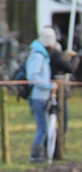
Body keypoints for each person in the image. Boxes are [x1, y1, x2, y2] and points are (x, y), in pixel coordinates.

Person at [26, 27, 58, 163]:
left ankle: (39, 154)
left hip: (42, 96)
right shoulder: (38, 56)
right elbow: (33, 76)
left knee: (43, 127)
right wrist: (49, 85)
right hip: (38, 97)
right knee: (43, 127)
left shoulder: (42, 55)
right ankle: (35, 155)